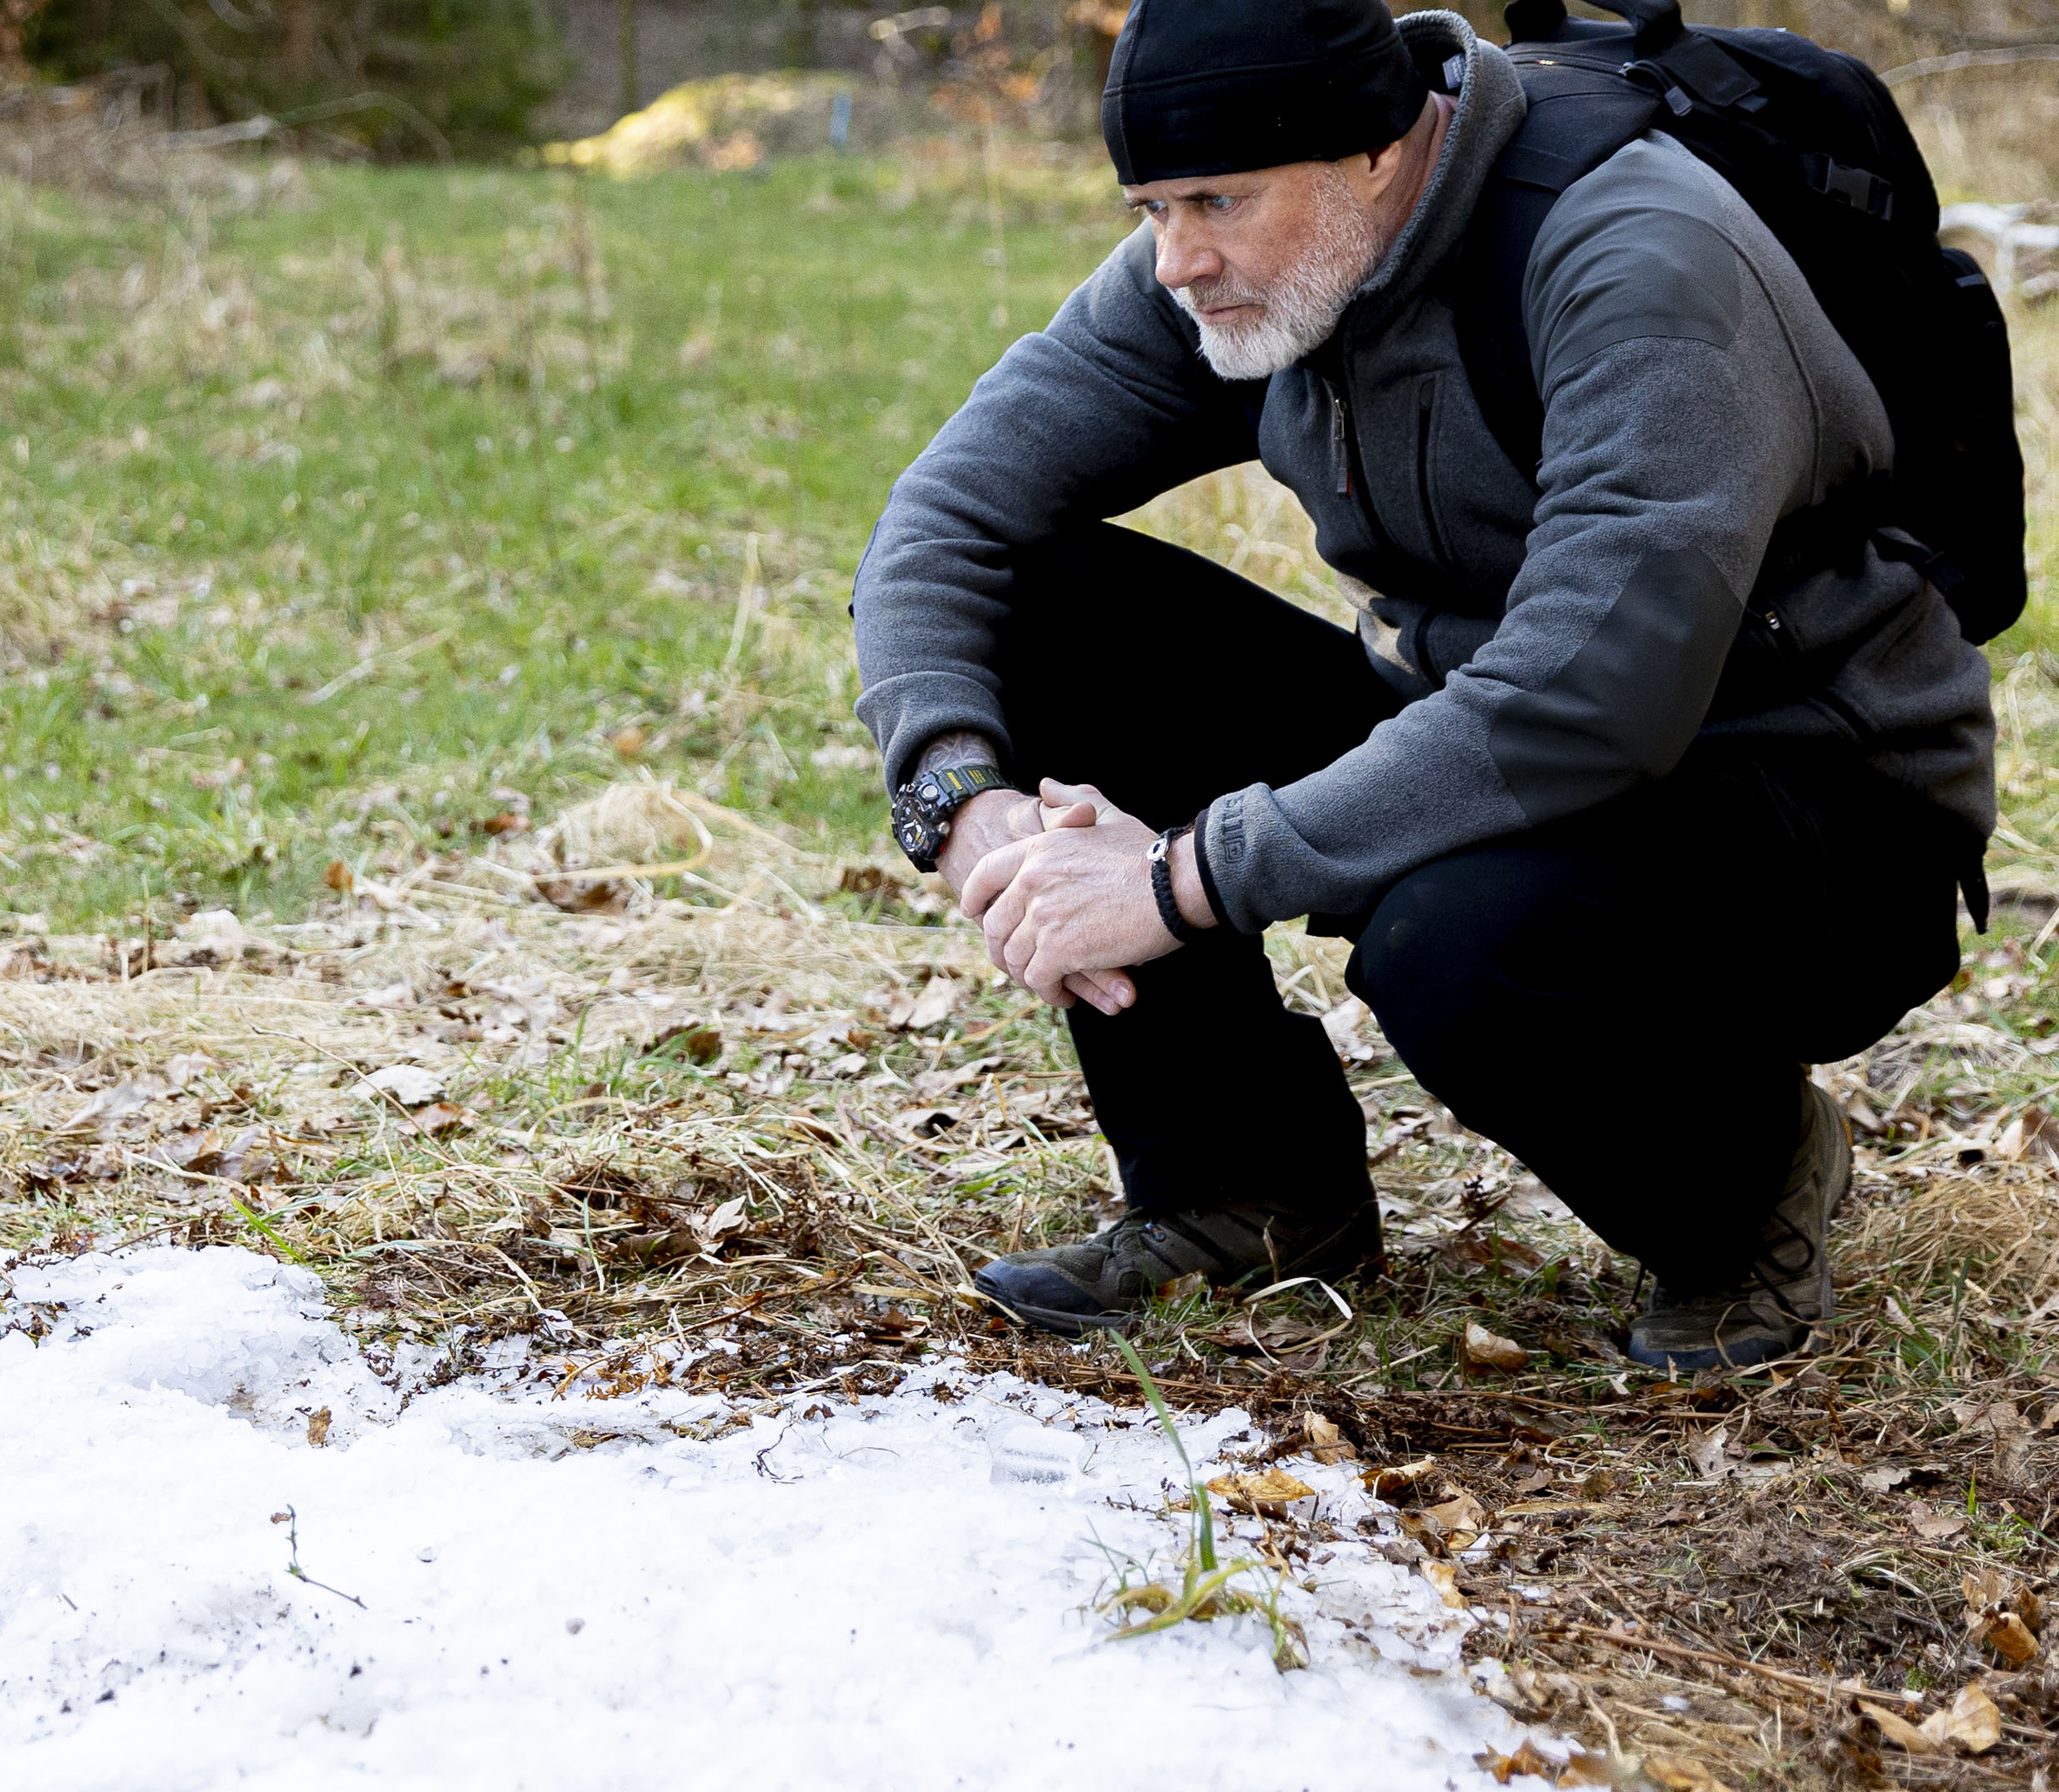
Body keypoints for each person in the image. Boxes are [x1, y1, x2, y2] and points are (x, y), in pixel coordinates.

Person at [851, 0, 1993, 1369]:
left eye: (1216, 200)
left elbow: (1588, 695)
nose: (1178, 260)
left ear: (1379, 153)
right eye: (1151, 207)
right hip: (1500, 739)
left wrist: (1172, 881)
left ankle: (1746, 1191)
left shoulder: (1633, 254)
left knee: (1456, 947)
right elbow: (949, 517)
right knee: (1049, 613)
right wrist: (962, 794)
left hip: (1805, 794)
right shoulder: (1260, 255)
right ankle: (1249, 1192)